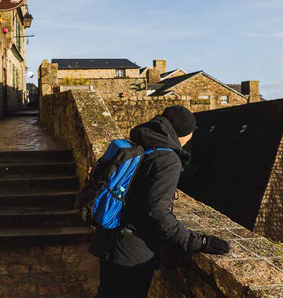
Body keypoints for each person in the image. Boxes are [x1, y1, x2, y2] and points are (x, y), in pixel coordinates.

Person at [89, 105, 230, 298]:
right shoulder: (168, 160)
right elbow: (157, 212)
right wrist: (197, 242)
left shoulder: (139, 141)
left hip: (108, 238)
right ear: (185, 133)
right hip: (132, 252)